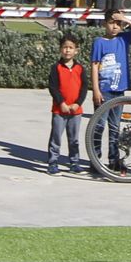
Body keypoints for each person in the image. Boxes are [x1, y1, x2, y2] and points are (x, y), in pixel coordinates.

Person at [90, 11, 131, 166]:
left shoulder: (124, 39)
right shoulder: (99, 42)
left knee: (115, 126)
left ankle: (113, 159)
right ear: (104, 24)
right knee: (99, 125)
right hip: (104, 91)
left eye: (118, 23)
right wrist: (96, 90)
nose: (115, 26)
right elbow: (95, 66)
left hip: (119, 91)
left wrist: (126, 19)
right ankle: (95, 158)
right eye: (111, 23)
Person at [46, 34, 89, 174]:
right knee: (56, 137)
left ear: (76, 50)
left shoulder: (80, 68)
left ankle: (74, 163)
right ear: (60, 49)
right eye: (65, 47)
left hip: (76, 111)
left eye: (71, 48)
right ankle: (53, 163)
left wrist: (78, 103)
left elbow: (84, 88)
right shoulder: (56, 68)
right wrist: (61, 103)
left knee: (74, 139)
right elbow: (53, 87)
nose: (68, 50)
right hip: (59, 110)